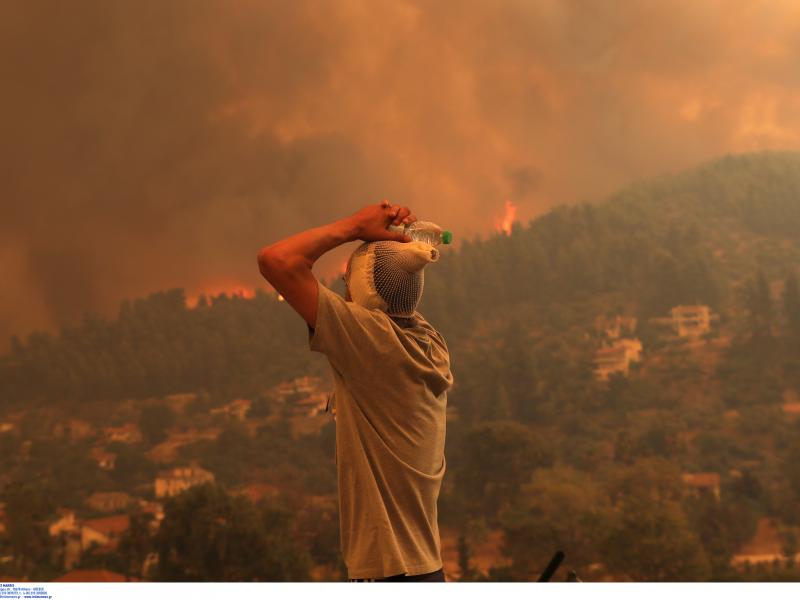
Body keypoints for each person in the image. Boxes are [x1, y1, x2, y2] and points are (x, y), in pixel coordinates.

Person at [257, 200, 453, 582]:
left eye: (348, 282)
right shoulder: (430, 343)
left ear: (362, 292)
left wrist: (356, 227)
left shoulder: (371, 341)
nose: (343, 292)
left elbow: (276, 260)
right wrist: (398, 247)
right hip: (426, 569)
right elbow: (396, 294)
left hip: (388, 574)